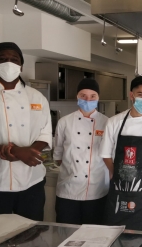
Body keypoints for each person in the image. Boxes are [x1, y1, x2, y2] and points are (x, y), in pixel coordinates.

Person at [0, 42, 52, 221]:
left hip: (31, 181)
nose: (9, 63)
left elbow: (45, 134)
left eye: (14, 59)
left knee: (30, 235)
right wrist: (16, 151)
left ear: (21, 65)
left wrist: (28, 152)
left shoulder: (37, 97)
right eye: (3, 59)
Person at [100, 76, 142, 232]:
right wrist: (116, 173)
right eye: (141, 95)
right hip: (118, 196)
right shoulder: (114, 122)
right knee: (114, 238)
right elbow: (105, 154)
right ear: (131, 95)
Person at [53, 79, 109, 225]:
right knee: (66, 233)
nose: (87, 99)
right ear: (77, 96)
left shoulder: (108, 123)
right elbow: (58, 154)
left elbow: (110, 156)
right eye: (83, 95)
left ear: (98, 98)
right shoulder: (64, 122)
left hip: (97, 189)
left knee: (93, 236)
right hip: (68, 189)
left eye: (92, 96)